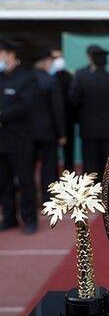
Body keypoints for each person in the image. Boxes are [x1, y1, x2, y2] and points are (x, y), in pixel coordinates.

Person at [0, 38, 38, 234]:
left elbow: (25, 106)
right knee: (3, 182)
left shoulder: (27, 78)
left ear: (10, 55)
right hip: (1, 140)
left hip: (20, 139)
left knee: (25, 181)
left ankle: (30, 218)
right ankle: (9, 218)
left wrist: (1, 116)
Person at [71, 45, 109, 176]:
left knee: (90, 166)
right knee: (107, 165)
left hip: (88, 128)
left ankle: (90, 189)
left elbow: (74, 100)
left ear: (91, 59)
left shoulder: (82, 78)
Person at [32, 48, 66, 204]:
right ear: (46, 62)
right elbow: (57, 110)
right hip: (48, 131)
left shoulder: (26, 80)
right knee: (49, 166)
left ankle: (31, 197)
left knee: (28, 167)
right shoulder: (51, 81)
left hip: (28, 132)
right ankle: (48, 198)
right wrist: (62, 133)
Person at [51, 48, 75, 172]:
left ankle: (68, 173)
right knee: (51, 153)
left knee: (68, 150)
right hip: (52, 120)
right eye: (55, 58)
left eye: (59, 57)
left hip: (68, 118)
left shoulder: (70, 76)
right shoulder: (49, 77)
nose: (58, 60)